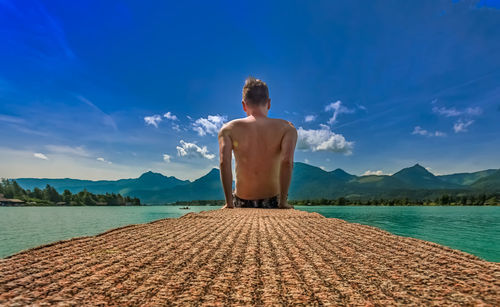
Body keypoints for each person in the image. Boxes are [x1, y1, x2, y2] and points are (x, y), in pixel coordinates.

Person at [218, 77, 298, 209]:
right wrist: (282, 202)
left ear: (244, 105)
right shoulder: (287, 128)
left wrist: (229, 203)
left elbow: (224, 163)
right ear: (269, 103)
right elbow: (287, 162)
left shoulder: (228, 129)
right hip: (273, 200)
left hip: (241, 200)